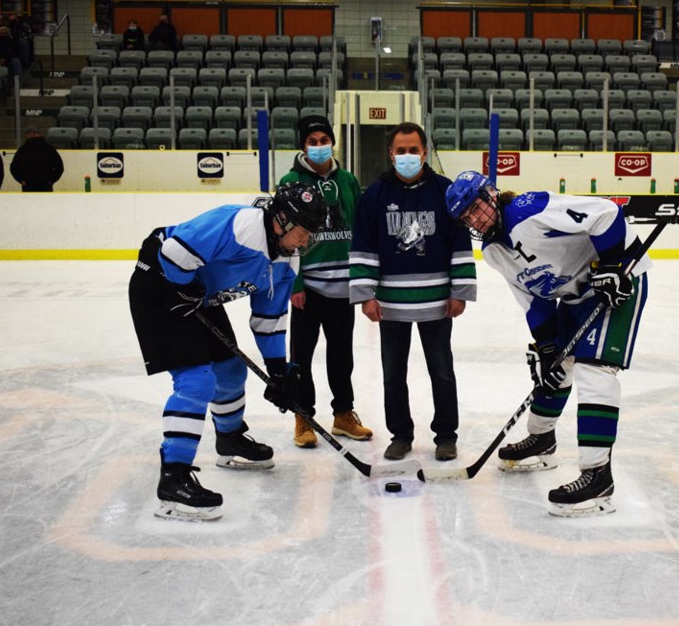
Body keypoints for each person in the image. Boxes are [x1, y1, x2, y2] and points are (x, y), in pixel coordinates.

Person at [443, 171, 652, 517]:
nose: (474, 220)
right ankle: (542, 439)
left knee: (594, 371)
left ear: (491, 194)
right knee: (551, 369)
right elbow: (534, 299)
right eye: (465, 217)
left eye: (475, 207)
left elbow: (607, 214)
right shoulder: (494, 252)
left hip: (618, 284)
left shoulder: (530, 210)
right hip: (574, 296)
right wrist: (547, 347)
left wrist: (613, 265)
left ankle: (598, 475)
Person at [128, 182, 334, 521]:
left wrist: (278, 371)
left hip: (197, 294)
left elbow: (268, 319)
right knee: (196, 381)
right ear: (280, 219)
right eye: (302, 231)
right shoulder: (240, 225)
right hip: (160, 284)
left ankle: (229, 440)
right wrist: (184, 287)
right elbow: (174, 252)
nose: (304, 241)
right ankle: (173, 479)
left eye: (311, 233)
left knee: (230, 369)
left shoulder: (286, 261)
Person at [349, 122, 476, 462]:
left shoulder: (444, 191)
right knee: (393, 374)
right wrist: (366, 294)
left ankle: (446, 436)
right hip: (391, 304)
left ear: (424, 151)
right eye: (400, 150)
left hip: (437, 302)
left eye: (413, 149)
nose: (407, 156)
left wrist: (459, 290)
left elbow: (459, 243)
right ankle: (401, 435)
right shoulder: (374, 195)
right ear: (390, 154)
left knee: (442, 371)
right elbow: (363, 245)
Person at [279, 115, 372, 448]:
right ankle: (303, 415)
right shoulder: (290, 180)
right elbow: (284, 237)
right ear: (303, 145)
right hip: (310, 288)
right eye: (312, 141)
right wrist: (296, 283)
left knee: (341, 355)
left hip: (342, 287)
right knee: (301, 356)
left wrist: (362, 278)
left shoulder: (347, 180)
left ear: (333, 142)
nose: (319, 146)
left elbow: (361, 231)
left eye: (323, 140)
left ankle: (343, 414)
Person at [10, 126, 64, 192]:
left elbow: (59, 166)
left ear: (39, 134)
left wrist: (51, 181)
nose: (32, 135)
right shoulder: (22, 150)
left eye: (34, 133)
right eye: (30, 134)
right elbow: (14, 167)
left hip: (45, 186)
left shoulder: (49, 149)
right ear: (27, 135)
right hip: (28, 186)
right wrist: (21, 180)